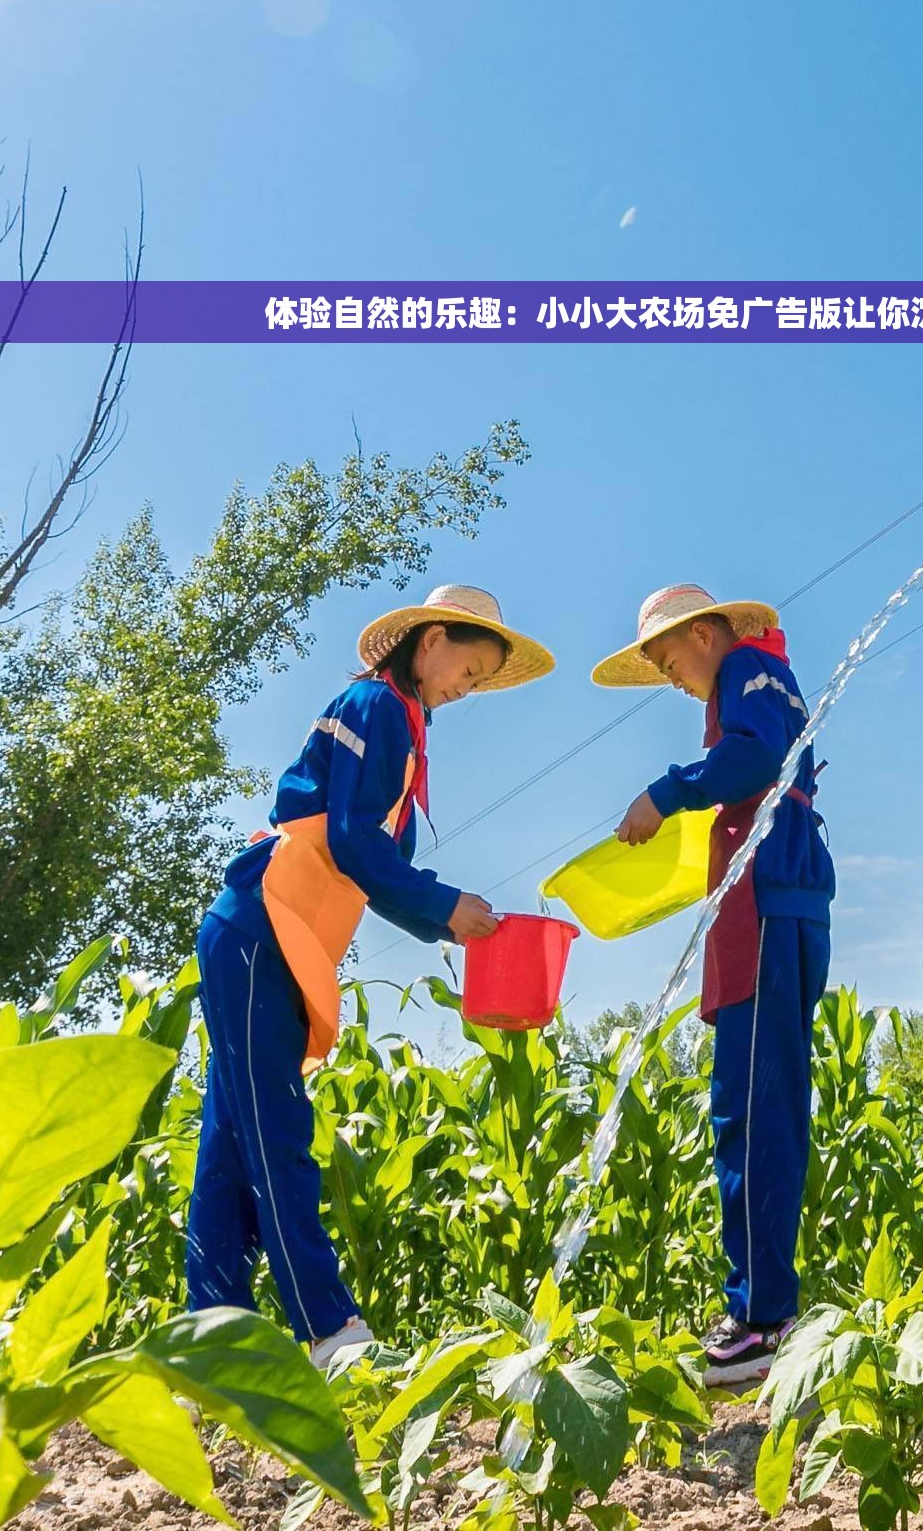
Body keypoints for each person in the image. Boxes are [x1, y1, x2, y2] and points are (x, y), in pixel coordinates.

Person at [187, 583, 551, 1368]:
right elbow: (354, 843)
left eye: (482, 682)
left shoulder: (402, 727)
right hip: (262, 930)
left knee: (231, 1142)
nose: (467, 687)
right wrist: (445, 904)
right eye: (468, 668)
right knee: (275, 1132)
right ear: (427, 643)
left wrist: (448, 923)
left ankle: (210, 1339)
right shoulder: (377, 706)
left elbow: (378, 870)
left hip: (274, 941)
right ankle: (327, 1329)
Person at [600, 582, 830, 1390]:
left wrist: (664, 793)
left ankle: (764, 1317)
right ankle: (761, 1306)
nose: (670, 677)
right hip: (761, 910)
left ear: (705, 633)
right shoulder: (752, 678)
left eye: (667, 659)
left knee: (756, 1110)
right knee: (742, 1105)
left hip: (768, 905)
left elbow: (755, 759)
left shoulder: (746, 669)